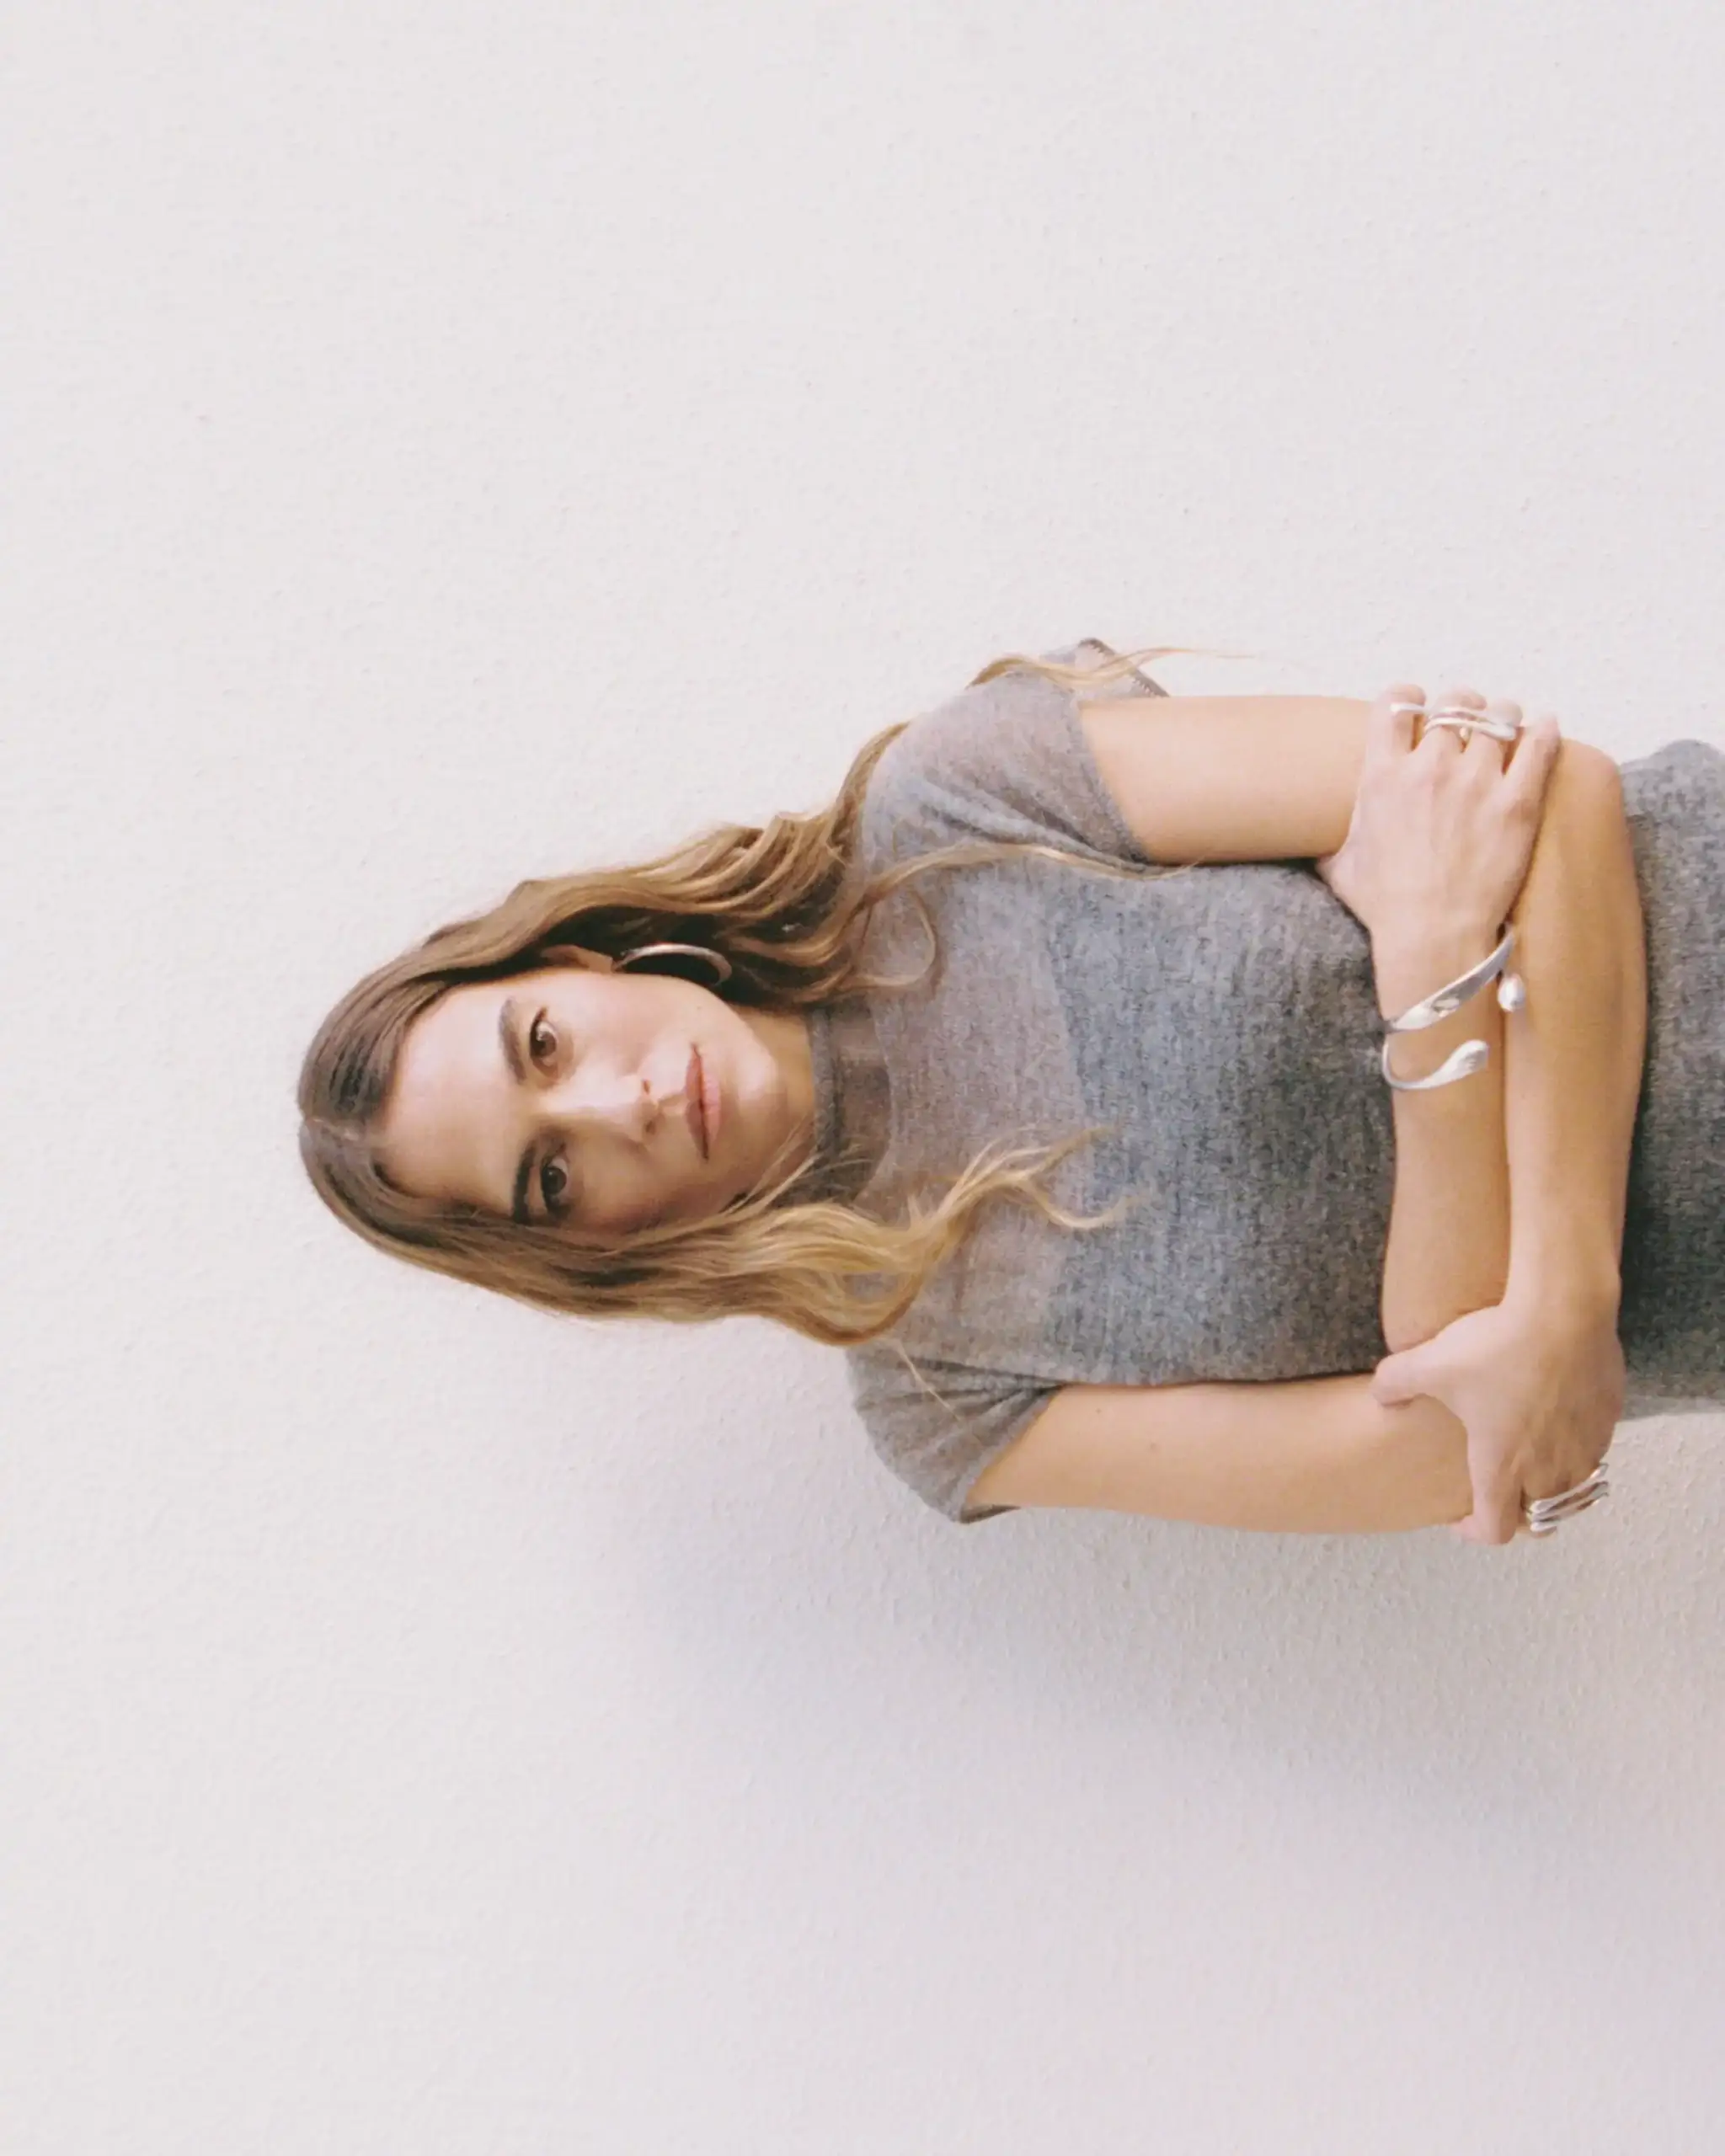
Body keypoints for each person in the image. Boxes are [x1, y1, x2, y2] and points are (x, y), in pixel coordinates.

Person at [298, 639, 1723, 1540]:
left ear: (574, 959)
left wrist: (1553, 1304)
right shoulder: (943, 1393)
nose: (620, 1109)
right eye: (551, 1175)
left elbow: (1550, 798)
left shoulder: (956, 804)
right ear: (586, 1248)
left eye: (545, 1046)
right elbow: (1446, 1464)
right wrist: (1426, 957)